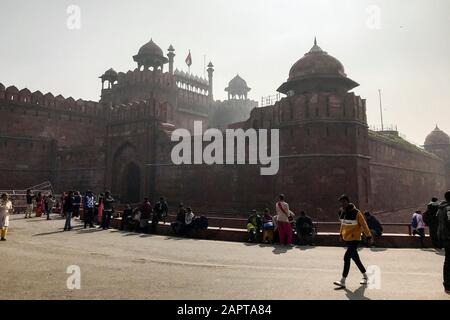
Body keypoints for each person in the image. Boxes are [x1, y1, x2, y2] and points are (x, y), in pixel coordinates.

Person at [333, 195, 372, 289]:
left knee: (346, 258)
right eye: (341, 202)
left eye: (344, 202)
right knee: (356, 259)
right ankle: (366, 277)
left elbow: (364, 224)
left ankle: (342, 281)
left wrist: (369, 236)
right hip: (347, 239)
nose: (342, 204)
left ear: (348, 202)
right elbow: (343, 225)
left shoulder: (356, 213)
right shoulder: (342, 212)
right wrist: (341, 234)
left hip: (355, 239)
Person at [437, 191, 450, 295]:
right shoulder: (448, 208)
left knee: (447, 262)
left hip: (444, 238)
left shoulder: (440, 208)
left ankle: (447, 286)